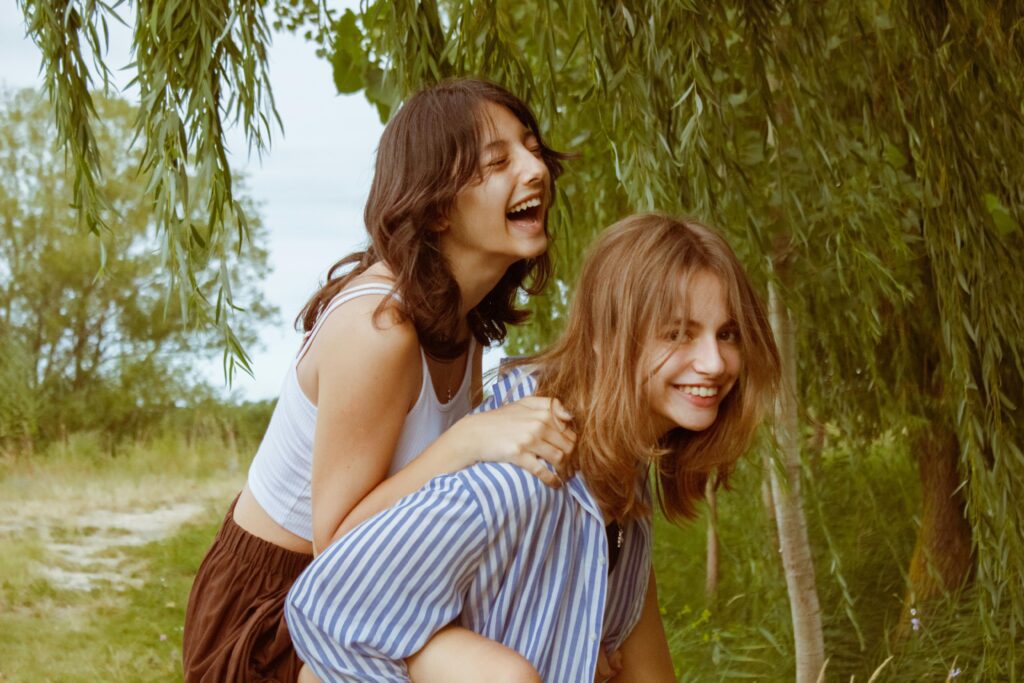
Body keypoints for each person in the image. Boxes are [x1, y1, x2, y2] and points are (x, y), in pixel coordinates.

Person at [182, 78, 577, 682]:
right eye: (498, 162)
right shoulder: (380, 330)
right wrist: (470, 441)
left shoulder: (460, 321)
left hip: (378, 590)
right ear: (439, 206)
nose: (536, 170)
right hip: (279, 613)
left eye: (531, 148)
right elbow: (335, 548)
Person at [285, 213, 782, 682]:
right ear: (606, 340)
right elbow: (324, 607)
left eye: (728, 334)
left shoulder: (620, 467)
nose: (714, 363)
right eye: (679, 334)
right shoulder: (523, 474)